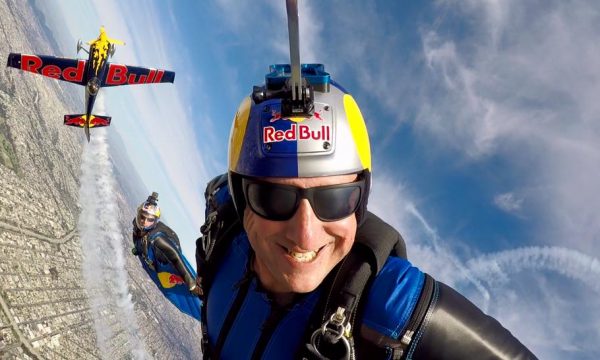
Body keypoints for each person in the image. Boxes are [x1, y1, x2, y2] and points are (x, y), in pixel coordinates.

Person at [193, 64, 537, 359]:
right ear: (240, 197)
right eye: (273, 198)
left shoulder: (391, 305)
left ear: (360, 201)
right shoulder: (223, 232)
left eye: (335, 200)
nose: (305, 234)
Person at [132, 192, 201, 297]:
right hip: (151, 248)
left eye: (150, 220)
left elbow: (176, 258)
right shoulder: (137, 225)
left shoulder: (158, 239)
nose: (144, 222)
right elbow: (139, 230)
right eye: (142, 217)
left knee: (161, 259)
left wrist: (192, 285)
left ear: (155, 222)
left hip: (166, 256)